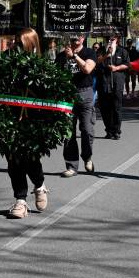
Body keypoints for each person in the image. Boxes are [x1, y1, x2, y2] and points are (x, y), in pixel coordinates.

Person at [6, 28, 49, 219]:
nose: (15, 45)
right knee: (13, 160)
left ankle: (39, 185)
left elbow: (48, 95)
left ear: (30, 44)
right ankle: (21, 200)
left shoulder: (42, 68)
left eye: (20, 42)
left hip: (34, 119)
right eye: (15, 41)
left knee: (31, 159)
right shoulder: (8, 64)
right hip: (11, 119)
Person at [56, 33, 96, 178]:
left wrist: (74, 56)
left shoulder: (89, 52)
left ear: (83, 38)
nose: (76, 38)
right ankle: (71, 166)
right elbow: (55, 76)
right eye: (74, 36)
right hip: (67, 96)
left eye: (79, 35)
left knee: (87, 130)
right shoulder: (61, 56)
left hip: (85, 94)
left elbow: (87, 69)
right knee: (68, 133)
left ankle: (87, 157)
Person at [96, 35, 130, 140]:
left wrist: (117, 68)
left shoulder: (122, 51)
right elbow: (97, 62)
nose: (109, 41)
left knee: (116, 108)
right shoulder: (101, 51)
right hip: (103, 84)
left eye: (112, 39)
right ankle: (109, 130)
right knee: (104, 108)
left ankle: (116, 131)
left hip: (117, 83)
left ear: (117, 40)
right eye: (108, 40)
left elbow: (127, 64)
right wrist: (107, 54)